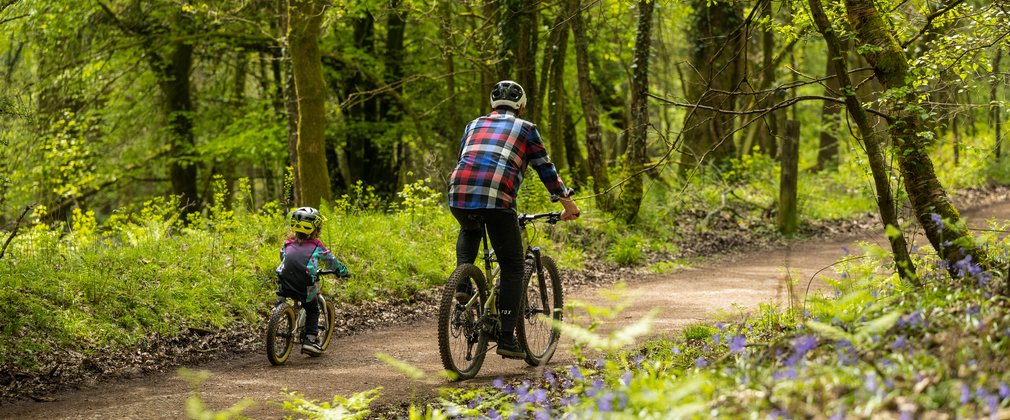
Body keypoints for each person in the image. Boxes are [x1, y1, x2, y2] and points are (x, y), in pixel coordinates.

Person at [448, 80, 581, 359]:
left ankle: (462, 285)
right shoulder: (526, 128)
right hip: (498, 198)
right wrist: (567, 203)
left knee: (470, 227)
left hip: (458, 190)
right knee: (513, 267)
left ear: (492, 105)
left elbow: (466, 157)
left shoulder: (472, 125)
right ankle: (507, 338)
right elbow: (545, 168)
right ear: (520, 106)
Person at [275, 206, 350, 356]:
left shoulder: (287, 243)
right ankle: (310, 340)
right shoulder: (317, 245)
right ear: (315, 229)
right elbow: (331, 261)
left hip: (285, 282)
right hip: (304, 285)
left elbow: (284, 257)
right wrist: (343, 271)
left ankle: (279, 305)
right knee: (312, 308)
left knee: (285, 290)